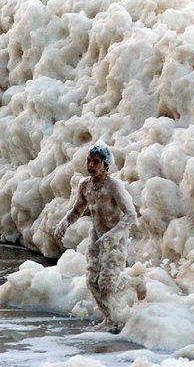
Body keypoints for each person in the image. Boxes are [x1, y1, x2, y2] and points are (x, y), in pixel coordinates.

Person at [54, 141, 146, 334]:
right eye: (89, 160)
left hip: (116, 240)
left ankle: (135, 282)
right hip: (96, 239)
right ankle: (110, 318)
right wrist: (64, 223)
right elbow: (77, 209)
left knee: (107, 285)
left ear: (106, 165)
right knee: (91, 282)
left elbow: (131, 215)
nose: (90, 165)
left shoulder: (114, 187)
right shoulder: (85, 185)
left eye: (95, 161)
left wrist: (113, 235)